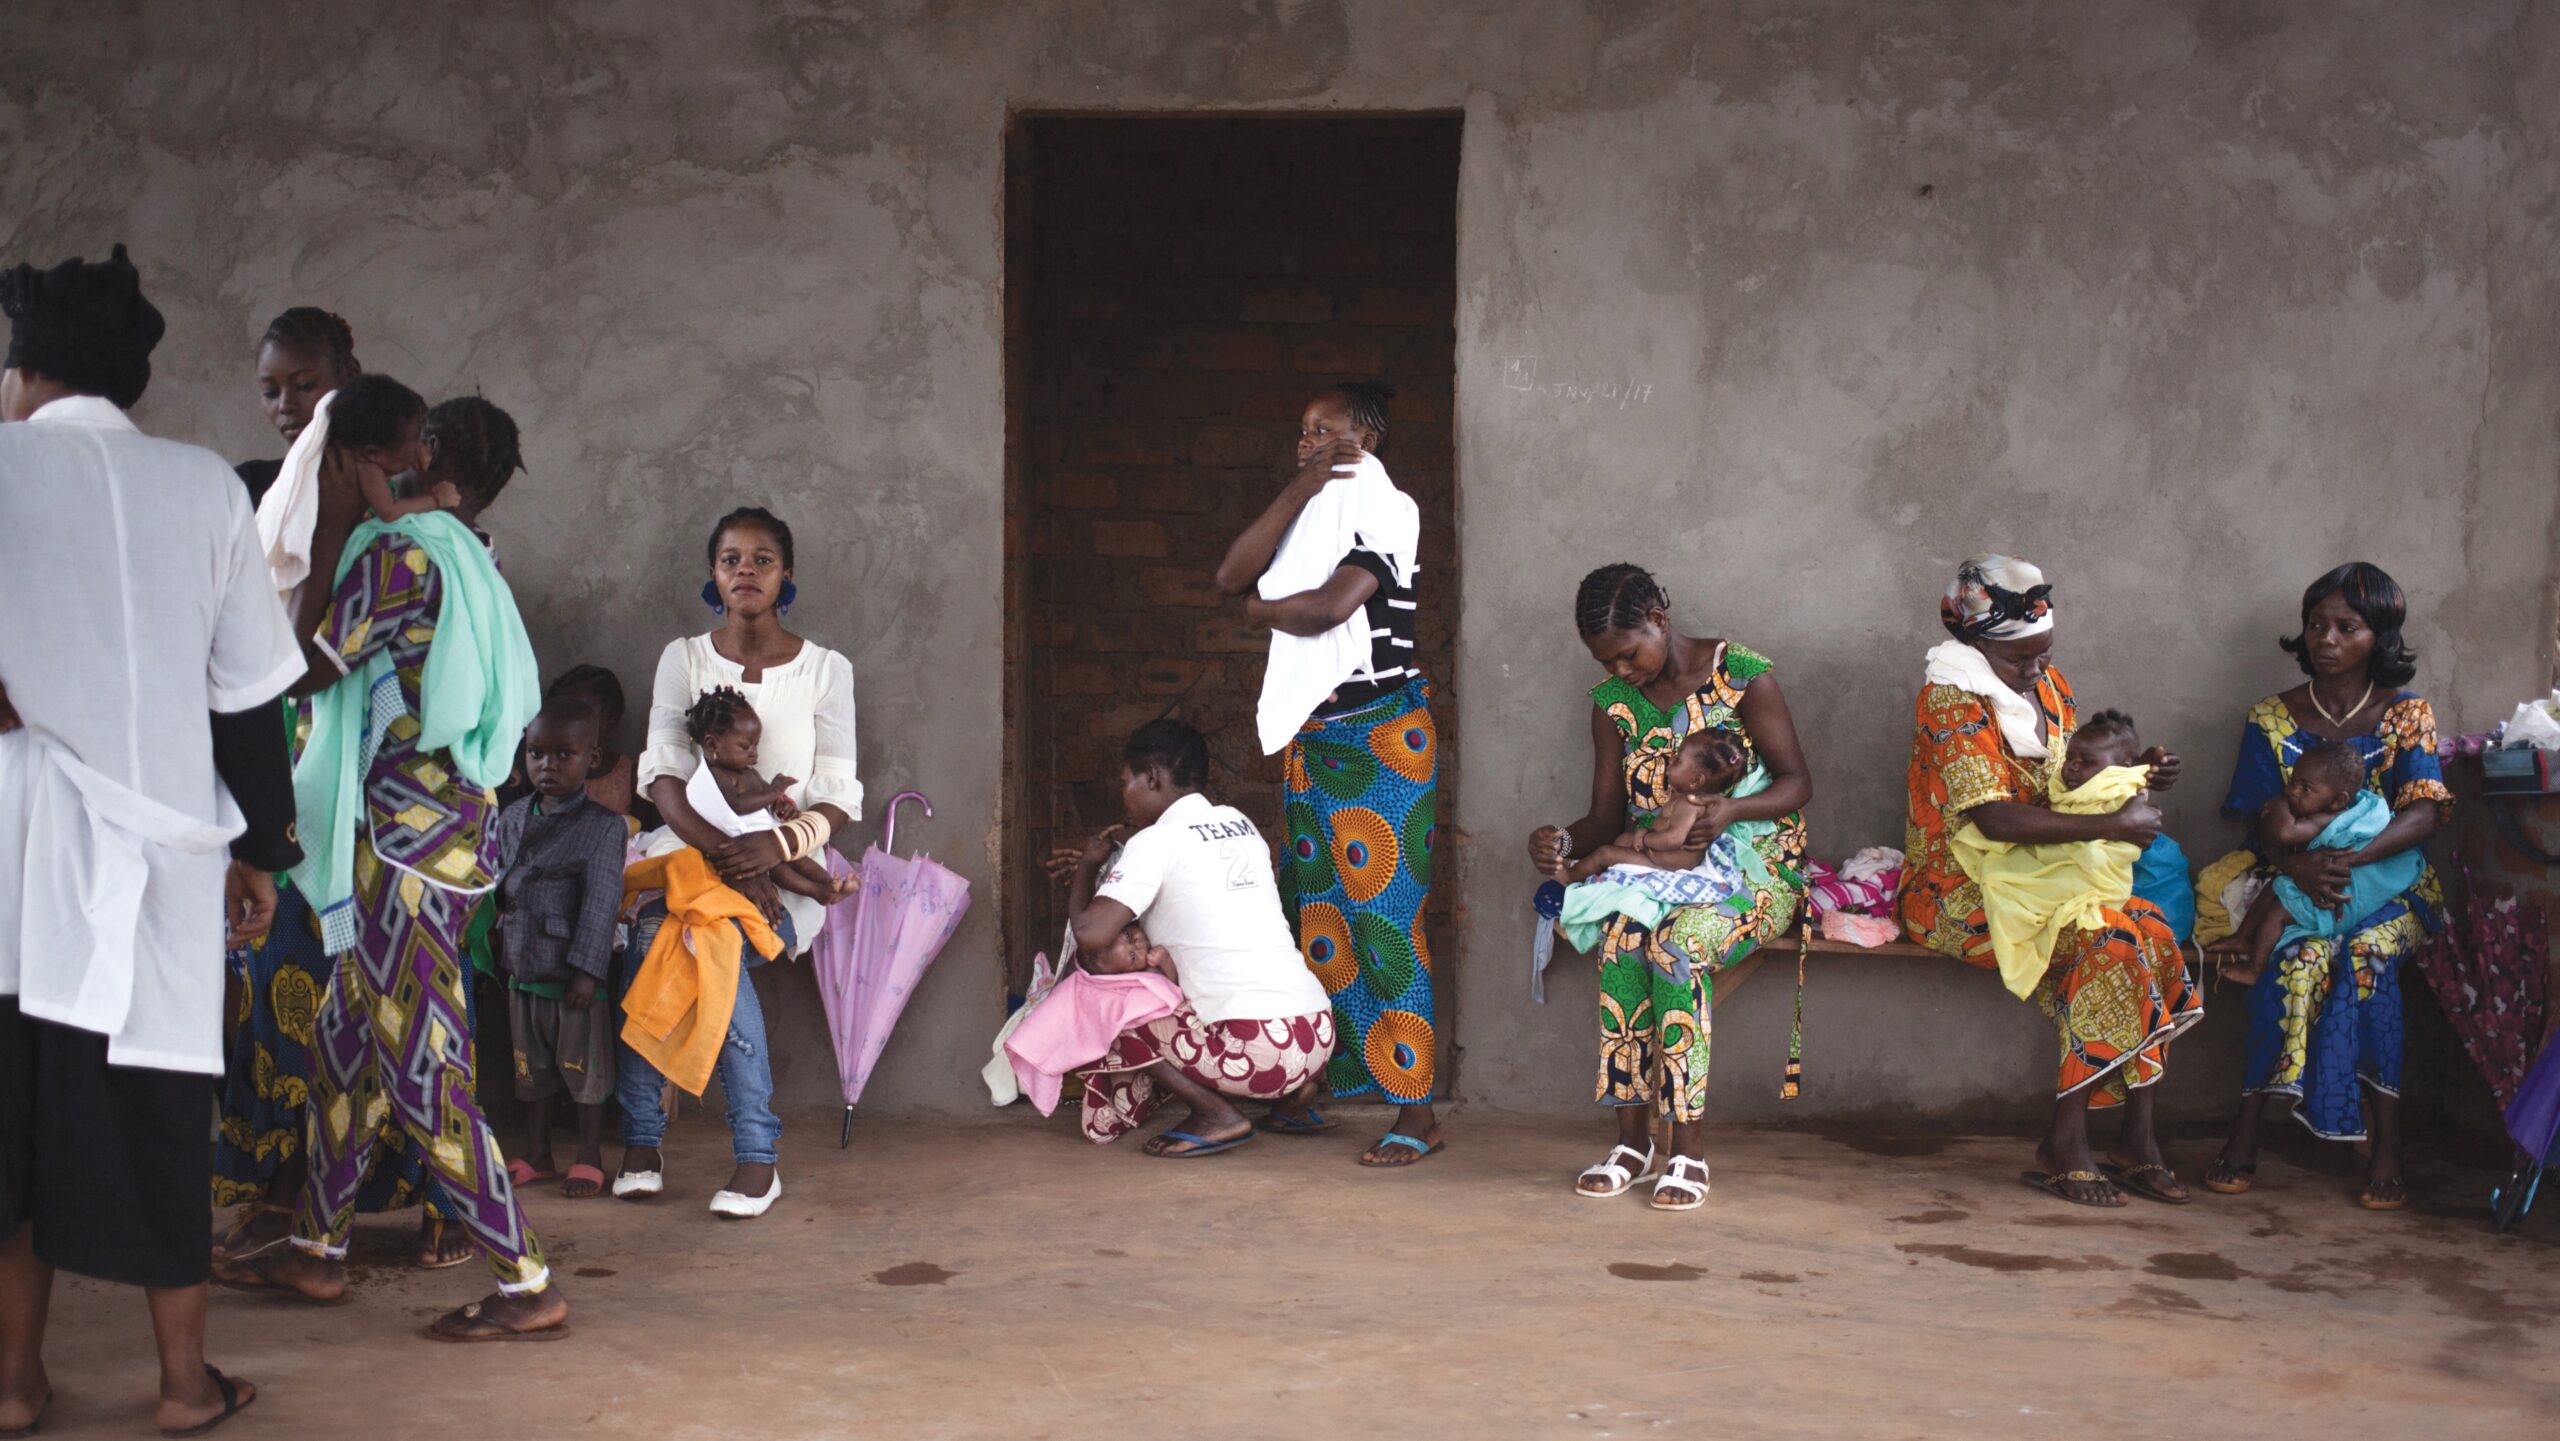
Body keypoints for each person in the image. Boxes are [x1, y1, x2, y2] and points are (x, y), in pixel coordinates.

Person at [1, 243, 293, 1434]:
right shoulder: (205, 487)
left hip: (10, 850)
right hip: (165, 852)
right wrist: (262, 852)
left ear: (24, 370)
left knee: (11, 1111)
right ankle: (183, 1387)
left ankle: (14, 1386)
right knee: (162, 1110)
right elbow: (247, 698)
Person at [211, 373, 565, 1340]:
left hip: (404, 852)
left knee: (422, 1070)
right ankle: (317, 1250)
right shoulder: (467, 554)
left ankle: (526, 1279)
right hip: (448, 835)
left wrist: (334, 528)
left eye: (415, 445)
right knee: (347, 1046)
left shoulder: (398, 557)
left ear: (427, 457)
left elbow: (302, 667)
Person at [1895, 555, 2200, 1209]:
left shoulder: (2050, 687)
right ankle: (2066, 1139)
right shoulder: (1951, 697)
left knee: (2149, 927)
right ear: (1977, 644)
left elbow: (2074, 775)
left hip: (2042, 875)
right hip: (1958, 888)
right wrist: (2113, 825)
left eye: (2044, 654)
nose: (2037, 671)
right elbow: (1991, 816)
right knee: (2112, 940)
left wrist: (2134, 774)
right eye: (2022, 659)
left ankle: (2136, 1138)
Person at [1527, 565, 1813, 1210]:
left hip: (1755, 872)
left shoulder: (1741, 675)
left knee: (1673, 950)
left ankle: (1687, 1150)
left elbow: (1798, 781)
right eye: (1608, 662)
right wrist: (1560, 843)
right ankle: (1633, 1141)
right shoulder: (1611, 706)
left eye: (1628, 654)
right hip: (1661, 872)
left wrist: (1731, 813)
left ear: (1658, 618)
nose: (1622, 671)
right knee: (1622, 941)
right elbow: (1604, 817)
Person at [1215, 380, 1442, 1168]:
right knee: (1317, 918)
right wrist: (1298, 488)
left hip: (1381, 738)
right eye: (1301, 429)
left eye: (1326, 429)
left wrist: (1258, 614)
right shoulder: (1310, 510)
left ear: (1367, 440)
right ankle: (1316, 1087)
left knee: (1385, 920)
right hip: (1316, 740)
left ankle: (1418, 1111)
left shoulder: (1390, 509)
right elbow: (1229, 573)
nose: (1308, 439)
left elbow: (1327, 608)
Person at [620, 506, 862, 1217]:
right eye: (731, 559)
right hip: (689, 851)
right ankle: (646, 1136)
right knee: (659, 936)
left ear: (786, 576)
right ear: (713, 575)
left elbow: (837, 792)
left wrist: (775, 846)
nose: (746, 571)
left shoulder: (826, 669)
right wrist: (722, 851)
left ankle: (752, 1154)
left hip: (783, 870)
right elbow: (662, 775)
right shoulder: (684, 658)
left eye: (762, 559)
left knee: (705, 942)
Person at [2203, 562, 2450, 1211]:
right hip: (2295, 883)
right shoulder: (2272, 718)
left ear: (2380, 636)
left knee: (2367, 961)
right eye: (2317, 624)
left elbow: (2424, 811)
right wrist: (2298, 867)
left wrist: (2345, 857)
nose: (2328, 637)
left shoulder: (2407, 715)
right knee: (2292, 958)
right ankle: (2247, 1126)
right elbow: (2261, 818)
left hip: (2389, 893)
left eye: (2348, 625)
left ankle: (2387, 1145)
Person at [1046, 721, 1338, 1156]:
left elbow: (1091, 936)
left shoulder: (1155, 841)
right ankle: (1294, 1097)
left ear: (1152, 778)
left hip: (1260, 1048)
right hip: (1315, 1034)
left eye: (1126, 782)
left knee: (1104, 997)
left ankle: (1215, 1115)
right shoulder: (1240, 823)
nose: (1123, 795)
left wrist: (1089, 867)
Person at [491, 699, 627, 1201]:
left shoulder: (603, 826)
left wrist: (587, 973)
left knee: (584, 1070)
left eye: (563, 754)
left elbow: (600, 902)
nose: (547, 765)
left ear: (591, 759)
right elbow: (495, 883)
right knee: (531, 1071)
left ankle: (588, 1156)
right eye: (536, 753)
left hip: (571, 976)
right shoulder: (510, 818)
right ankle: (537, 1153)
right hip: (520, 966)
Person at [1944, 709, 2157, 1001]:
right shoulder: (1955, 705)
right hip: (2064, 863)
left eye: (2088, 762)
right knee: (2005, 878)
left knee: (2139, 922)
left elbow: (2123, 841)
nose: (2072, 768)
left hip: (2096, 877)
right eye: (2070, 759)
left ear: (2121, 768)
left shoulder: (2120, 789)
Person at [2219, 739, 2413, 987]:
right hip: (2319, 882)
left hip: (2333, 898)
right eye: (2293, 783)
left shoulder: (2329, 818)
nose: (2292, 792)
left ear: (2338, 801)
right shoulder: (2347, 806)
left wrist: (2278, 806)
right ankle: (2241, 938)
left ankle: (2255, 968)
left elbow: (2285, 833)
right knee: (2274, 886)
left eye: (2305, 788)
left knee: (2277, 914)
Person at [680, 686, 857, 907]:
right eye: (746, 746)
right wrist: (774, 791)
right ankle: (816, 891)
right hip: (747, 840)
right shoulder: (718, 776)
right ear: (712, 744)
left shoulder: (748, 772)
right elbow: (738, 805)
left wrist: (783, 805)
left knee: (797, 856)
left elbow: (769, 801)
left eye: (756, 744)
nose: (754, 753)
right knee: (779, 868)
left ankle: (829, 884)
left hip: (768, 831)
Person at [235, 306, 360, 504]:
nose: (285, 405)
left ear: (350, 376)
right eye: (270, 393)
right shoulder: (246, 489)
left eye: (304, 385)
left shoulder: (403, 480)